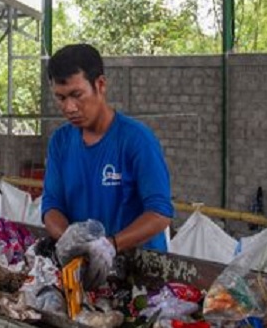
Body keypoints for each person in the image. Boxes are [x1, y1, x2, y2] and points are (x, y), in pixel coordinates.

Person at [41, 44, 174, 285]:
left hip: (140, 273)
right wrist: (69, 240)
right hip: (85, 270)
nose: (69, 107)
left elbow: (159, 213)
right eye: (60, 98)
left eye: (76, 95)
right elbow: (52, 205)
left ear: (100, 85)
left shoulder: (136, 140)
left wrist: (110, 245)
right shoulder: (60, 142)